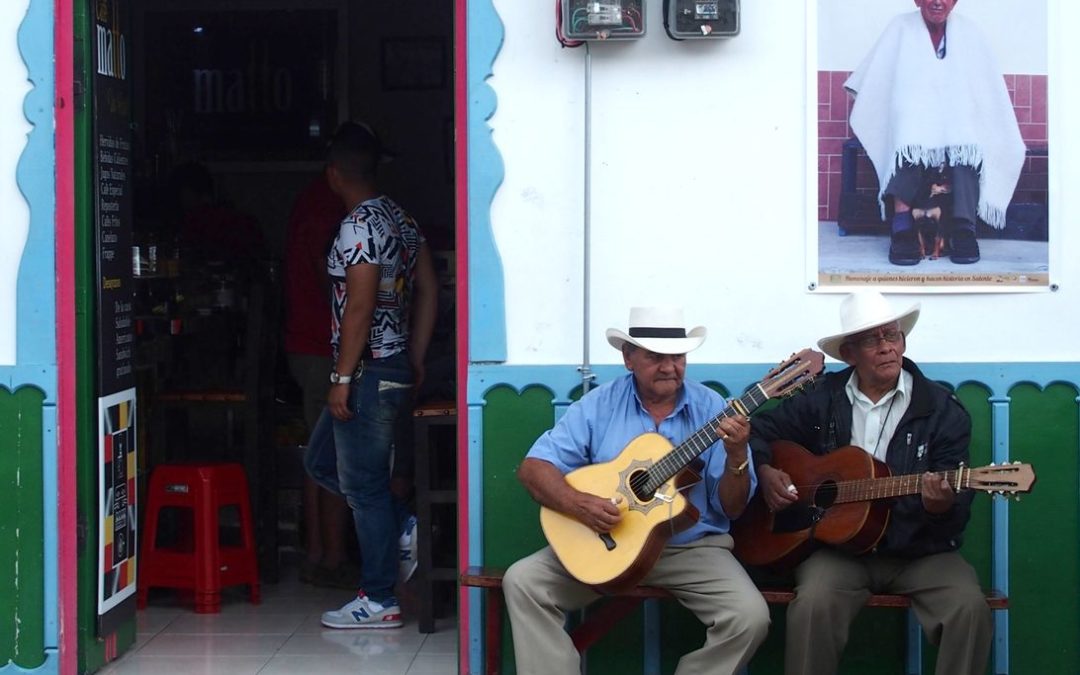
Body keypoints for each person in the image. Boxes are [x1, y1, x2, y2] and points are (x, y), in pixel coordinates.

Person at [504, 306, 770, 674]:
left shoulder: (713, 409)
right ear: (628, 358)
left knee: (750, 617)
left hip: (690, 549)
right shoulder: (599, 404)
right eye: (655, 357)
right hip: (607, 543)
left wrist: (737, 454)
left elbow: (733, 507)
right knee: (522, 581)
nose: (668, 367)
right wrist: (579, 504)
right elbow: (534, 469)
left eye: (677, 357)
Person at [748, 290, 992, 675]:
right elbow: (758, 429)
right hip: (841, 553)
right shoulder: (822, 399)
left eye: (892, 336)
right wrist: (764, 470)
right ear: (849, 354)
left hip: (920, 551)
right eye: (871, 340)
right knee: (813, 603)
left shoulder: (943, 410)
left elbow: (956, 514)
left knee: (969, 607)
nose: (886, 348)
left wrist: (938, 505)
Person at [303, 121, 438, 629]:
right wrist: (416, 353)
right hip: (393, 364)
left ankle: (380, 598)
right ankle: (404, 525)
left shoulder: (358, 227)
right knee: (321, 462)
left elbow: (358, 306)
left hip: (366, 371)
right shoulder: (400, 219)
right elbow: (428, 287)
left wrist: (341, 378)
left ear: (333, 173)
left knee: (361, 487)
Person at [844, 0, 1026, 266]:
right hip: (914, 123)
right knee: (908, 137)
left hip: (957, 122)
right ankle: (903, 226)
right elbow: (877, 82)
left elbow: (984, 91)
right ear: (917, 0)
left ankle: (964, 228)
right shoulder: (900, 28)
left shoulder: (970, 32)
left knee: (967, 142)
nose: (938, 2)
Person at [283, 174, 356, 588]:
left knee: (321, 451)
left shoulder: (316, 205)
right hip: (318, 347)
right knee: (327, 455)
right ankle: (327, 557)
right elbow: (335, 284)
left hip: (311, 345)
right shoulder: (323, 213)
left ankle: (323, 554)